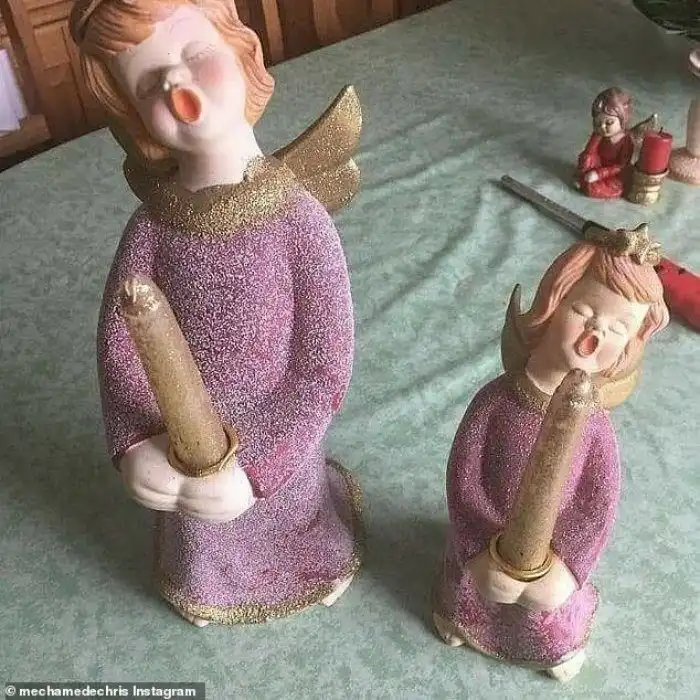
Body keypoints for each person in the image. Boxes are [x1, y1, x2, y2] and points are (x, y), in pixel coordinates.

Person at [69, 0, 363, 626]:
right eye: (148, 84)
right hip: (182, 448)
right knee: (200, 524)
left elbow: (322, 367)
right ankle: (206, 583)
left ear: (243, 52)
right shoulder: (150, 230)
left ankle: (310, 559)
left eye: (196, 54)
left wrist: (258, 467)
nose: (176, 84)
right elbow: (119, 350)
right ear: (134, 119)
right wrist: (134, 443)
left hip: (279, 448)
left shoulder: (298, 220)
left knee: (284, 511)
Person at [432, 227, 668, 681]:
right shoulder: (497, 402)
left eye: (618, 328)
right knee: (471, 590)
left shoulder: (594, 426)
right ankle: (462, 618)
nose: (597, 331)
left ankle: (553, 646)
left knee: (545, 615)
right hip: (483, 544)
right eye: (583, 310)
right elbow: (464, 478)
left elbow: (596, 505)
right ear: (551, 306)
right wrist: (477, 548)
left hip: (551, 560)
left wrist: (567, 568)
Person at [575, 87, 634, 198]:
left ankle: (587, 185)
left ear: (623, 120)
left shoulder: (626, 140)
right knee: (586, 159)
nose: (602, 127)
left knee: (596, 188)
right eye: (598, 123)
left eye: (609, 122)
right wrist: (596, 137)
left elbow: (622, 166)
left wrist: (599, 174)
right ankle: (584, 182)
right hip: (597, 165)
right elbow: (589, 153)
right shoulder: (599, 134)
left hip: (613, 173)